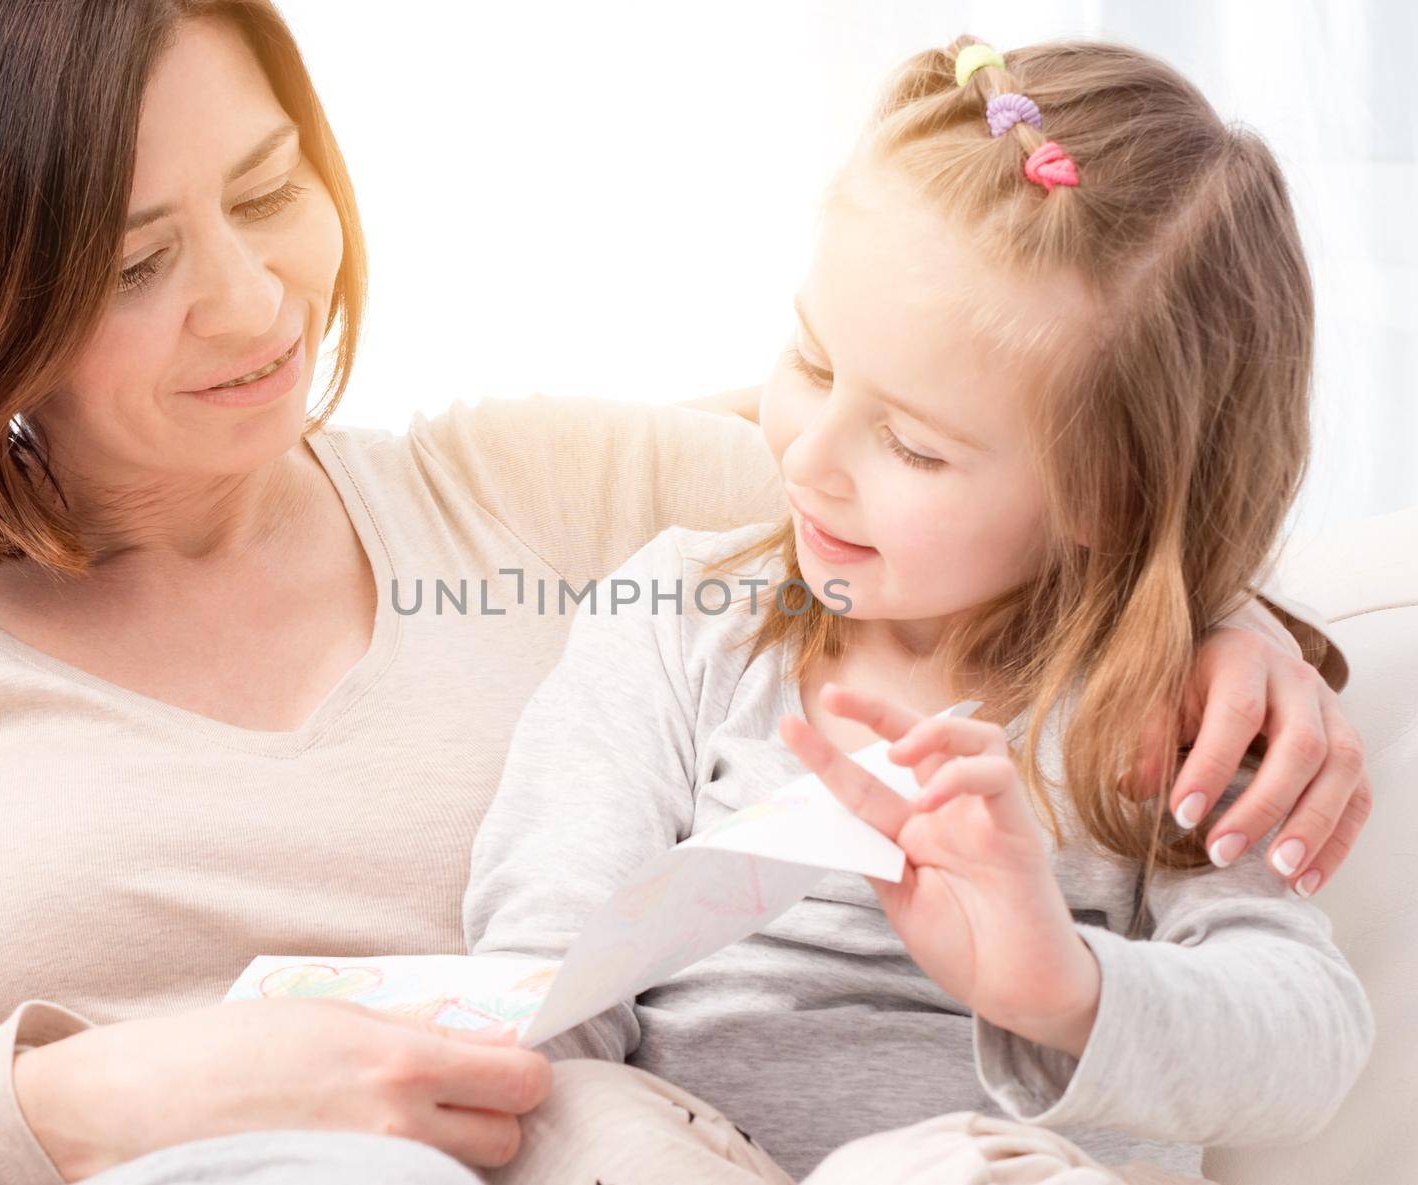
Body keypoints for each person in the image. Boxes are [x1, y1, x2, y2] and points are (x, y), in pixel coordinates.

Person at [0, 4, 1367, 1183]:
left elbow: (1017, 451)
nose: (255, 298)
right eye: (135, 260)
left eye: (271, 186)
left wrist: (1218, 626)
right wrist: (109, 1095)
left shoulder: (536, 497)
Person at [464, 35, 1376, 1185]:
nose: (811, 457)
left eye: (911, 446)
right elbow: (544, 968)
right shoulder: (679, 619)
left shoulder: (1167, 718)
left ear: (1112, 492)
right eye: (808, 360)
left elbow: (1308, 1041)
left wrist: (1061, 986)